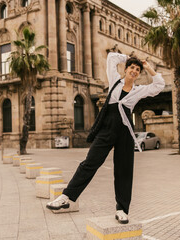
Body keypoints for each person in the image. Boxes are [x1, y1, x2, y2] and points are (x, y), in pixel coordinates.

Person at [46, 52, 165, 224]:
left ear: (139, 74)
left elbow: (159, 85)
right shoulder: (115, 80)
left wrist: (148, 67)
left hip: (124, 132)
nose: (134, 71)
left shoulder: (139, 91)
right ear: (125, 70)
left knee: (124, 171)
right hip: (107, 129)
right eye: (132, 68)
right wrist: (131, 58)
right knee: (89, 163)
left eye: (137, 70)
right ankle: (66, 197)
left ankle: (122, 210)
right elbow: (111, 57)